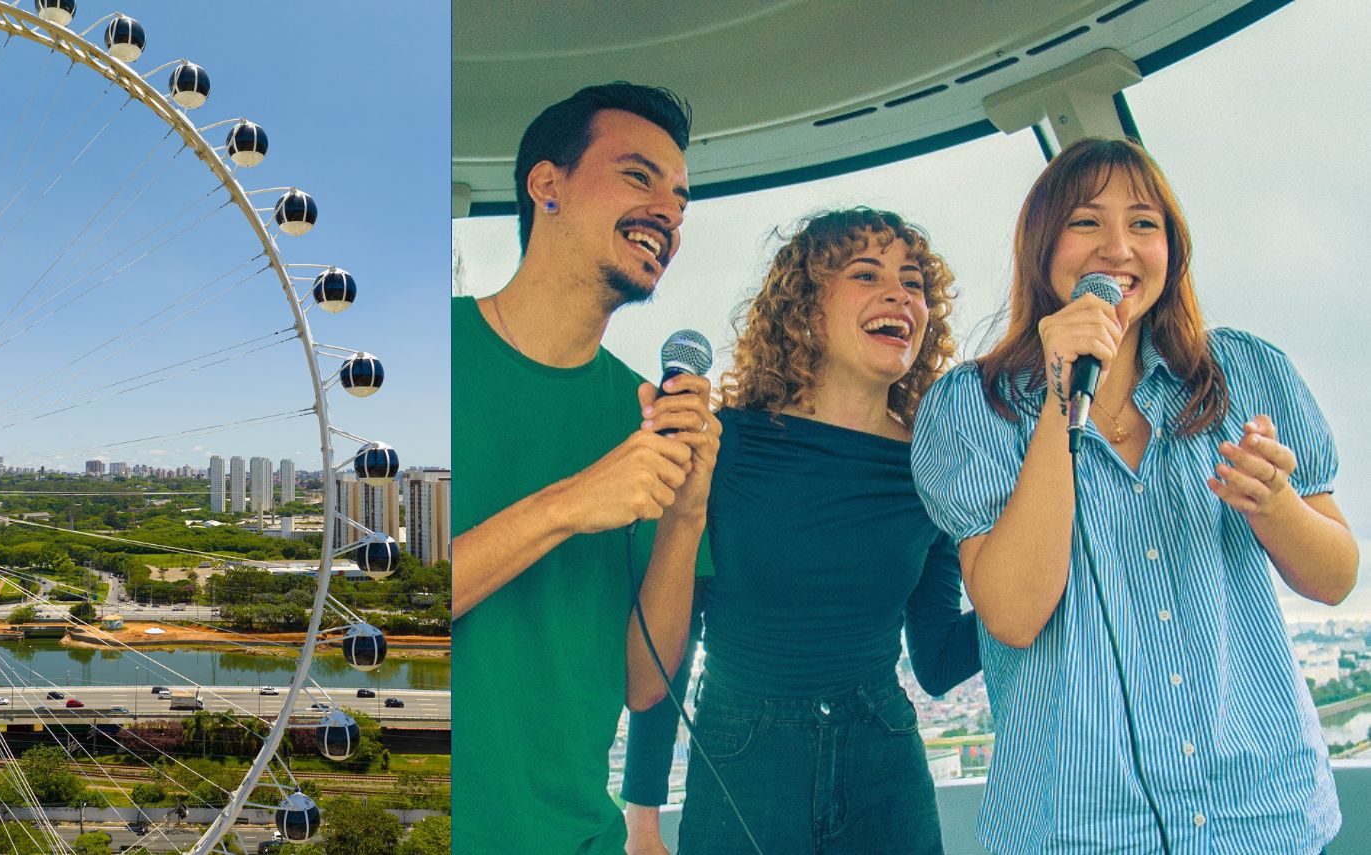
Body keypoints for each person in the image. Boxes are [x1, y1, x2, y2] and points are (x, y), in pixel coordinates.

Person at [909, 137, 1358, 853]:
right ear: (1041, 245)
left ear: (1171, 250)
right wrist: (1060, 397)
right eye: (1087, 221)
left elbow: (1336, 577)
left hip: (1264, 818)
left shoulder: (1246, 371)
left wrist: (1278, 505)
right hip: (1077, 830)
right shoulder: (973, 407)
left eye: (1144, 224)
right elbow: (1015, 614)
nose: (1118, 246)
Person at [623, 208, 980, 855]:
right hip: (741, 759)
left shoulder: (934, 465)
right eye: (866, 273)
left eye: (914, 282)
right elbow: (668, 643)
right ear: (806, 308)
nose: (900, 293)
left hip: (885, 763)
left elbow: (935, 661)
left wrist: (1047, 574)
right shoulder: (722, 443)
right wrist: (642, 816)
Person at [452, 82, 721, 855]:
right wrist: (570, 504)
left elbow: (644, 685)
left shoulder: (639, 412)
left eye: (680, 198)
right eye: (639, 176)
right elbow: (363, 615)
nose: (668, 212)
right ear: (548, 186)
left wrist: (686, 514)